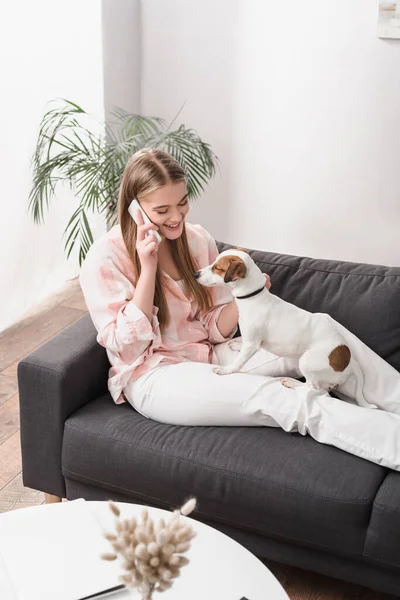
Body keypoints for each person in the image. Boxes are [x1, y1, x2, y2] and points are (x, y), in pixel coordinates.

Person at [80, 148, 400, 471]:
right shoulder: (104, 259)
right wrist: (147, 270)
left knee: (326, 332)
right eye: (162, 210)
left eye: (182, 202)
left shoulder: (196, 240)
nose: (177, 217)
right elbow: (129, 347)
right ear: (134, 208)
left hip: (211, 354)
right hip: (154, 375)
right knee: (285, 398)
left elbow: (212, 328)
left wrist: (247, 297)